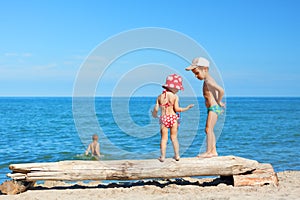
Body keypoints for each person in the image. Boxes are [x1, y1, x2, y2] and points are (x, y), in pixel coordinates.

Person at [186, 57, 225, 158]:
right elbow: (213, 93)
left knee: (208, 129)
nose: (196, 76)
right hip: (212, 108)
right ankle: (213, 151)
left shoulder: (208, 81)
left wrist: (219, 101)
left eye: (197, 73)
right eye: (194, 74)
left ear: (205, 69)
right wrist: (218, 101)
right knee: (209, 129)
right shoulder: (208, 80)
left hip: (213, 108)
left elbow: (221, 90)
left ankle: (209, 152)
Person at [152, 74, 194, 162]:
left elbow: (156, 108)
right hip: (173, 118)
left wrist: (154, 114)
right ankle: (177, 155)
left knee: (164, 138)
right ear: (173, 87)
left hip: (164, 119)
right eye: (177, 88)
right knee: (174, 137)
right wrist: (187, 108)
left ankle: (162, 157)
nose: (178, 90)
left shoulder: (159, 97)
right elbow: (177, 109)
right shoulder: (175, 96)